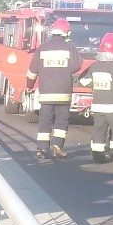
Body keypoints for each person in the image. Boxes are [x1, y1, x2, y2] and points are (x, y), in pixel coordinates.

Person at [26, 18, 82, 159]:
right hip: (64, 93)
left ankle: (42, 149)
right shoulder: (71, 48)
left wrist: (29, 86)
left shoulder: (42, 48)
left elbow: (32, 71)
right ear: (66, 33)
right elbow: (76, 66)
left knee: (45, 120)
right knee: (61, 121)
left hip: (46, 94)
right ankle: (58, 146)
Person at [78, 33, 113, 164]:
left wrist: (95, 85)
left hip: (98, 107)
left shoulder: (94, 66)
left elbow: (82, 80)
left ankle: (97, 156)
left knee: (98, 131)